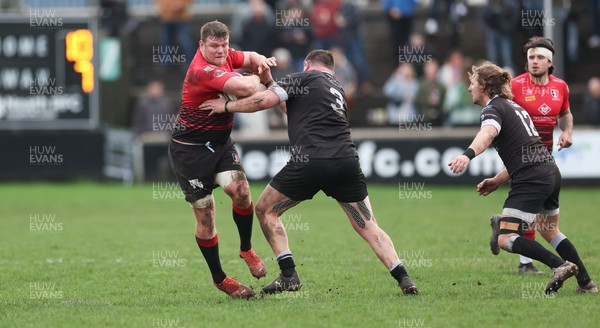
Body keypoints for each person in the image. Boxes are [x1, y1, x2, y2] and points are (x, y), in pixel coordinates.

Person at [199, 49, 419, 296]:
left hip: (311, 160)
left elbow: (264, 101)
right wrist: (270, 81)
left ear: (306, 65)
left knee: (264, 210)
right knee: (369, 226)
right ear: (331, 69)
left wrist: (227, 106)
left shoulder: (302, 78)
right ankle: (404, 278)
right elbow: (294, 111)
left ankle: (289, 274)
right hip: (346, 161)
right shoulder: (337, 87)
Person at [448, 61, 597, 294]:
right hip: (549, 171)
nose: (469, 88)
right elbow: (525, 152)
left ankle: (560, 266)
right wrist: (497, 180)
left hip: (532, 179)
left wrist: (467, 156)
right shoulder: (514, 107)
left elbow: (487, 134)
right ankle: (586, 283)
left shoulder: (492, 109)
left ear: (484, 86)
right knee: (549, 230)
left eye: (472, 83)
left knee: (505, 238)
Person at [169, 20, 277, 299]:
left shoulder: (227, 55)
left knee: (241, 191)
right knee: (206, 216)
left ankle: (246, 249)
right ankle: (220, 279)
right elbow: (246, 89)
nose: (220, 51)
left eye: (224, 45)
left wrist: (259, 60)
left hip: (218, 145)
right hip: (189, 151)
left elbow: (251, 57)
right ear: (201, 45)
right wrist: (256, 75)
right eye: (214, 46)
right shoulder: (200, 70)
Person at [491, 36, 574, 274]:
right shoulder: (515, 86)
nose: (534, 62)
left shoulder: (561, 87)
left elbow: (566, 114)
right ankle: (525, 263)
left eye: (540, 57)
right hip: (522, 154)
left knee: (538, 214)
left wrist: (567, 132)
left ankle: (505, 225)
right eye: (531, 58)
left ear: (550, 62)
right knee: (533, 210)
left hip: (545, 155)